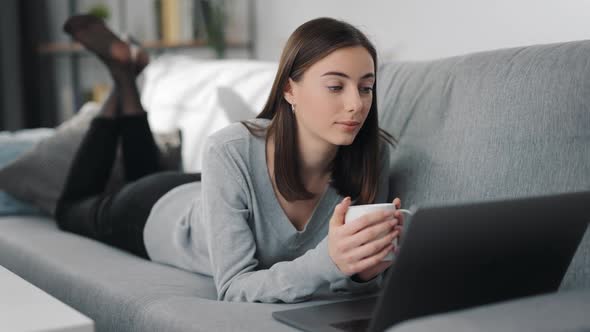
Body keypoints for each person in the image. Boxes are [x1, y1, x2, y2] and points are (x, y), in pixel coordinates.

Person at [56, 14, 405, 303]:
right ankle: (122, 80)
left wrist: (364, 267)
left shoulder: (372, 154)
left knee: (140, 167)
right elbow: (234, 289)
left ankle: (125, 77)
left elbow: (351, 279)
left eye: (366, 87)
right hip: (158, 211)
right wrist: (327, 260)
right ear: (288, 89)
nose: (356, 104)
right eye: (335, 86)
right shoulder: (230, 148)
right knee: (71, 209)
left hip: (212, 191)